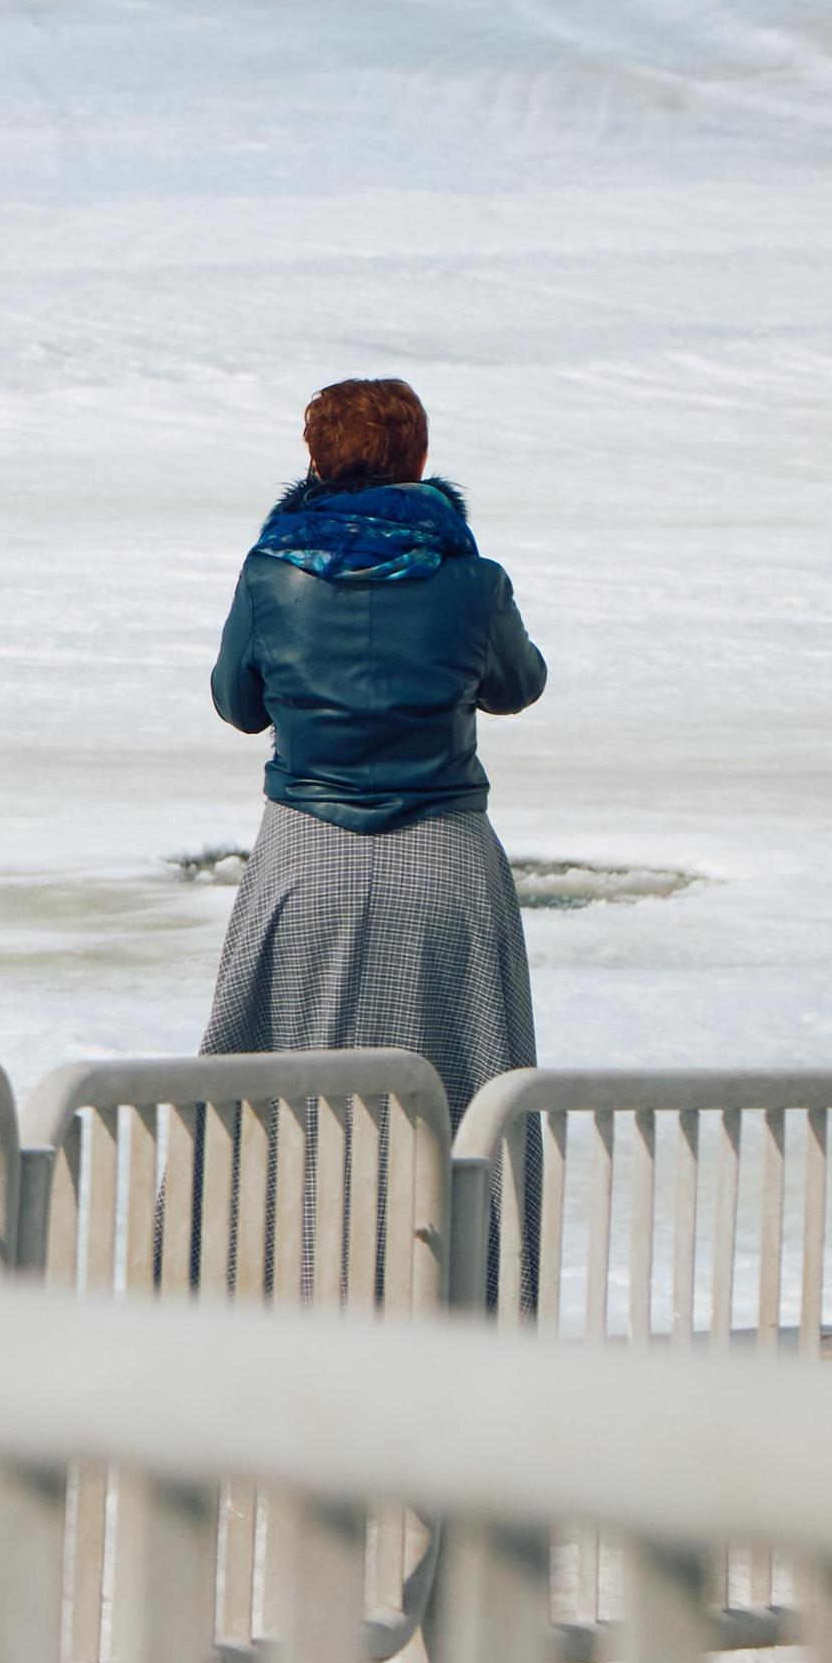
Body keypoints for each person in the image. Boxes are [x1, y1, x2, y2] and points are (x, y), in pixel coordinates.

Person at [203, 377, 548, 1113]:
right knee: (467, 1095)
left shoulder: (269, 577)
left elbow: (238, 706)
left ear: (317, 464)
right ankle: (461, 1231)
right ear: (419, 460)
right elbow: (520, 686)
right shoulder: (474, 582)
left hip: (305, 853)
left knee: (276, 1099)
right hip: (446, 857)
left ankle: (273, 1230)